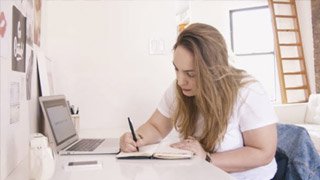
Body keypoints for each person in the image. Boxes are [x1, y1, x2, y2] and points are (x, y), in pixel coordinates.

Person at [120, 23, 278, 179]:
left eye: (191, 73)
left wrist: (207, 158)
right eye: (177, 69)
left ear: (214, 70)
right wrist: (136, 139)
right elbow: (156, 127)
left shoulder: (248, 92)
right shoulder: (178, 89)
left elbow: (263, 153)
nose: (181, 81)